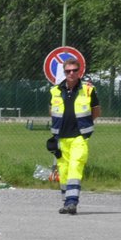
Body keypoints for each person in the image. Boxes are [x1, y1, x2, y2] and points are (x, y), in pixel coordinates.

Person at [50, 58, 100, 214]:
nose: (71, 73)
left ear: (79, 72)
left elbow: (96, 111)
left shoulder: (88, 89)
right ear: (64, 72)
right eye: (68, 71)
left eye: (74, 70)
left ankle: (72, 202)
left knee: (75, 166)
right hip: (61, 137)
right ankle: (66, 202)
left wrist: (85, 123)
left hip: (79, 136)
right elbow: (52, 110)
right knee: (63, 171)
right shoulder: (55, 90)